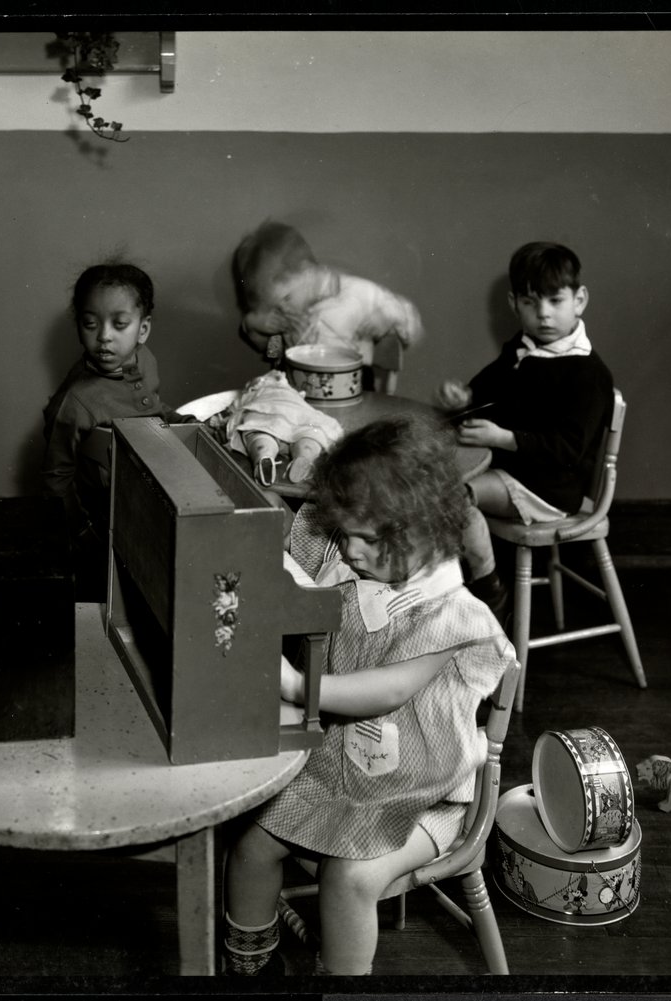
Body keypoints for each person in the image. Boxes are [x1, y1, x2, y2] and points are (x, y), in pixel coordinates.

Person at [222, 415, 514, 976]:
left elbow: (388, 690)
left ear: (425, 529)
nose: (350, 550)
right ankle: (251, 965)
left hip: (428, 794)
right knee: (253, 845)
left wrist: (295, 685)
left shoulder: (447, 609)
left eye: (368, 538)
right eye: (345, 532)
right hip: (340, 767)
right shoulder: (350, 546)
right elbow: (286, 564)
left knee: (348, 876)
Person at [435, 242, 615, 618]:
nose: (544, 314)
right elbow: (487, 391)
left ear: (579, 300)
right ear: (514, 302)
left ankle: (487, 586)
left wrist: (503, 438)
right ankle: (438, 590)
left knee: (453, 496)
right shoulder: (523, 347)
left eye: (555, 301)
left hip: (550, 487)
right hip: (516, 470)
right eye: (531, 302)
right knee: (430, 479)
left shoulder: (587, 373)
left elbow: (568, 448)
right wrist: (463, 396)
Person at [42, 262, 185, 595]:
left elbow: (151, 408)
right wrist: (80, 533)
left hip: (152, 492)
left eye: (120, 324)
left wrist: (181, 422)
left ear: (143, 329)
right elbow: (55, 478)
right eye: (90, 323)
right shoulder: (76, 401)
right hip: (107, 517)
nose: (104, 336)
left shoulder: (145, 360)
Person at [231, 220, 424, 369]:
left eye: (286, 298)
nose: (283, 308)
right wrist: (255, 326)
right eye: (274, 305)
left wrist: (386, 318)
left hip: (353, 387)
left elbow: (409, 320)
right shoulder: (289, 315)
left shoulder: (357, 292)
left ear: (307, 272)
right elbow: (272, 351)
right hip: (299, 395)